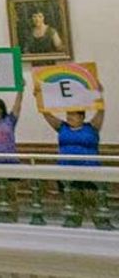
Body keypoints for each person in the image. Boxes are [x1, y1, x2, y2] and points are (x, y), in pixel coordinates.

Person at [40, 84, 104, 212]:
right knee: (73, 206)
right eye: (68, 114)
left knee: (94, 205)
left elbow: (100, 110)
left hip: (90, 172)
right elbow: (46, 114)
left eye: (73, 114)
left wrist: (99, 94)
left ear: (82, 117)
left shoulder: (92, 127)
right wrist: (39, 95)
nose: (69, 116)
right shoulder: (62, 127)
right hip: (66, 171)